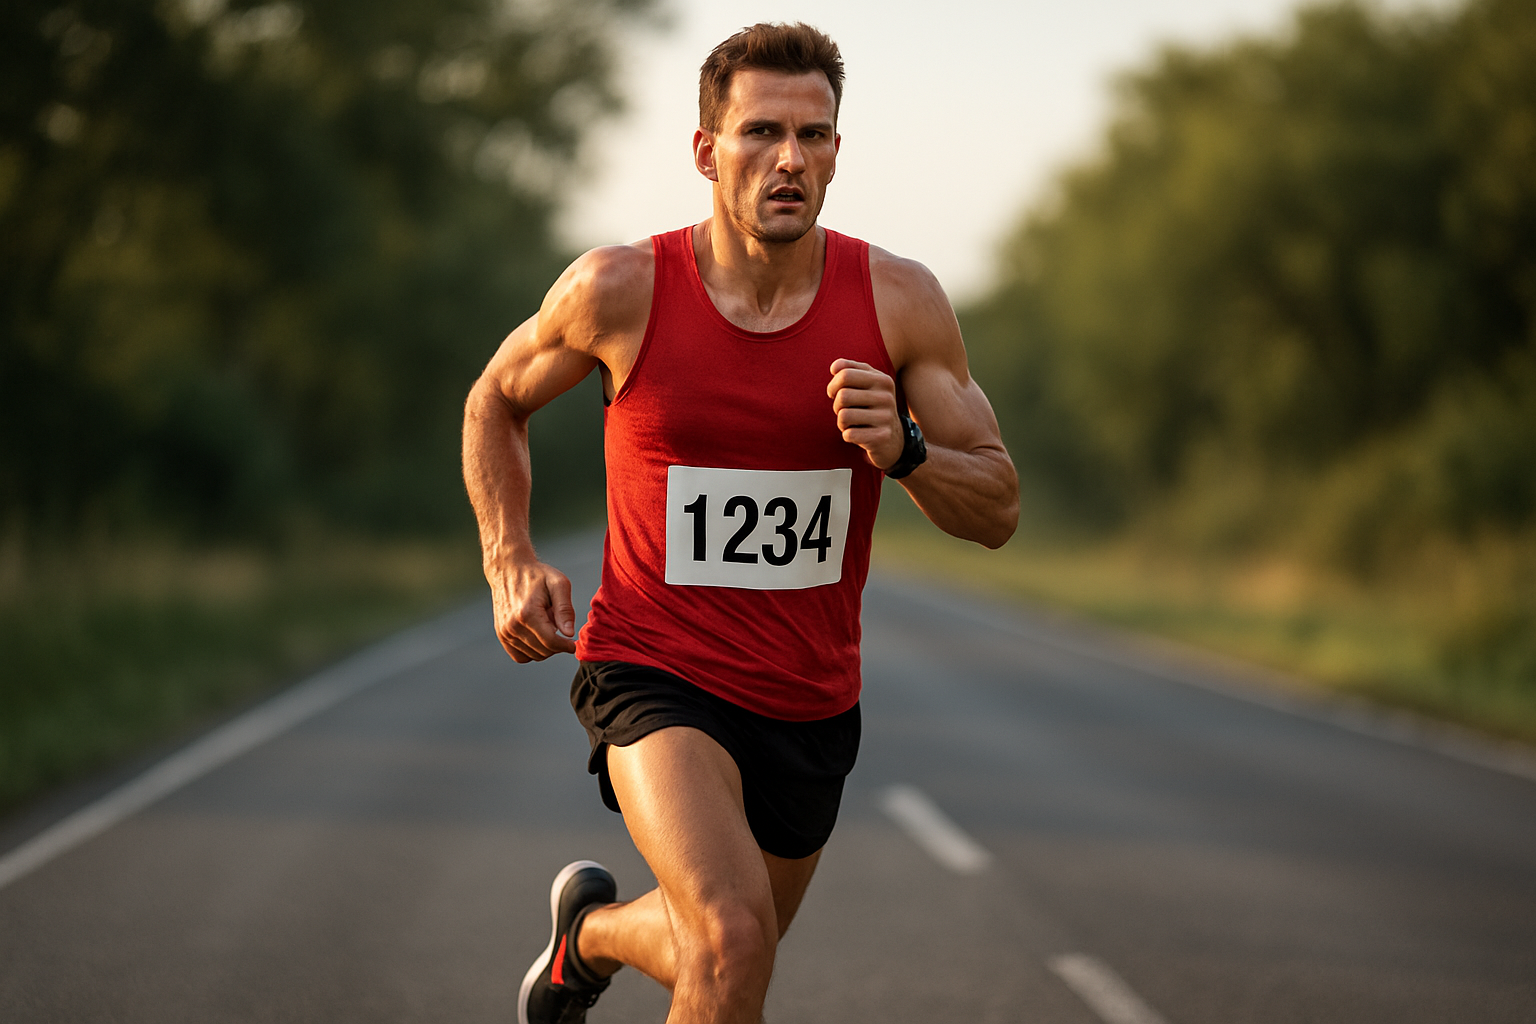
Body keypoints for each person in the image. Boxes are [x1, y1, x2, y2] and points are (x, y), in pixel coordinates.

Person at [461, 21, 1018, 1024]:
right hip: (651, 664)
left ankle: (585, 937)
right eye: (761, 131)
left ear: (838, 152)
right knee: (733, 936)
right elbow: (495, 401)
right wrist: (510, 558)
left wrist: (909, 454)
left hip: (808, 696)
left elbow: (999, 507)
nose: (789, 158)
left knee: (717, 954)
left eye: (814, 136)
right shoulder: (621, 290)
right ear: (706, 150)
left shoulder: (898, 303)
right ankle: (594, 937)